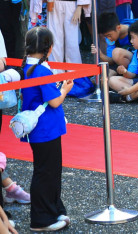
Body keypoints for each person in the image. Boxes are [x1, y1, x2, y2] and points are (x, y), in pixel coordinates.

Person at [20, 26, 73, 232]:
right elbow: (54, 101)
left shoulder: (27, 66)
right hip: (46, 128)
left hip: (38, 129)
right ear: (49, 49)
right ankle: (42, 219)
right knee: (47, 172)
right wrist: (65, 89)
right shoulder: (41, 70)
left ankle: (53, 210)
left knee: (46, 171)